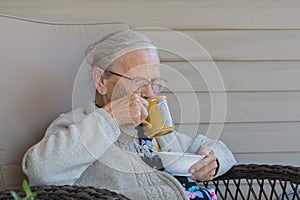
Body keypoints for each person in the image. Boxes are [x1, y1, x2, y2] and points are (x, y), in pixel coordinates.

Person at [22, 30, 236, 200]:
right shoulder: (75, 125)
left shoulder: (155, 132)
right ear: (101, 81)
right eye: (139, 81)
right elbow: (41, 171)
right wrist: (112, 117)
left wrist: (213, 160)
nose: (150, 93)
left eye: (155, 83)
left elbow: (219, 150)